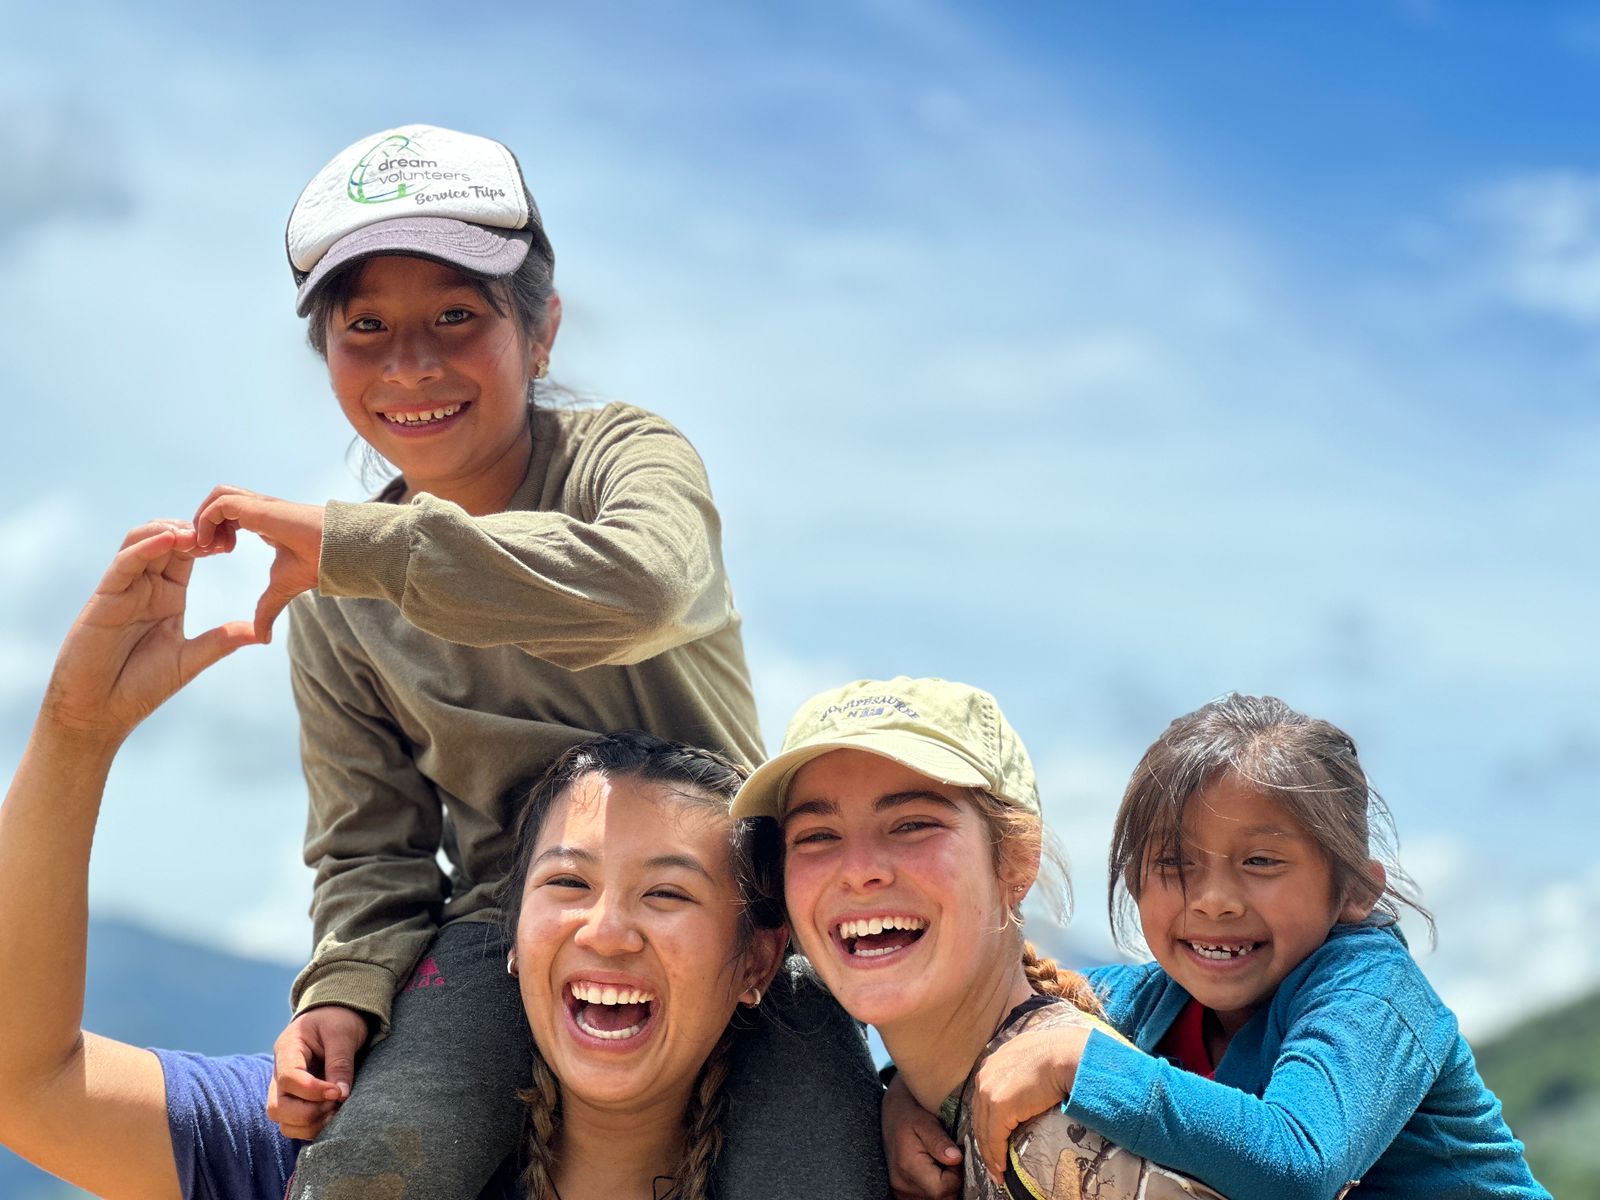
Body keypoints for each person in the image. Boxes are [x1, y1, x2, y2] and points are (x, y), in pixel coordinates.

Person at [187, 124, 885, 1197]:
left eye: (457, 317)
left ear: (542, 330)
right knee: (372, 1174)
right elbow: (372, 845)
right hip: (503, 930)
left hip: (740, 928)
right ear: (324, 354)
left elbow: (641, 584)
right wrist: (344, 987)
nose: (411, 363)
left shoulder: (625, 458)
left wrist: (358, 548)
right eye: (363, 326)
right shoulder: (336, 600)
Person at [0, 523, 874, 1199]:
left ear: (757, 957)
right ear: (507, 929)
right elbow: (29, 1084)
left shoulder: (897, 1160)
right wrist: (76, 734)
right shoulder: (331, 1144)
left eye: (668, 895)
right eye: (566, 883)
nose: (607, 930)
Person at [898, 694, 1552, 1200]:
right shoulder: (1149, 1002)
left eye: (1262, 861)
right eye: (1176, 866)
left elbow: (1299, 1165)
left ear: (1354, 892)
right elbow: (996, 1022)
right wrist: (904, 1097)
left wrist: (1083, 1065)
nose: (1213, 901)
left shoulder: (1372, 993)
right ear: (1134, 883)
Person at [731, 676, 1228, 1200]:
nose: (859, 871)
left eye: (912, 824)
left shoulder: (1059, 1132)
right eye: (817, 837)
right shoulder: (937, 1105)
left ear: (1016, 858)